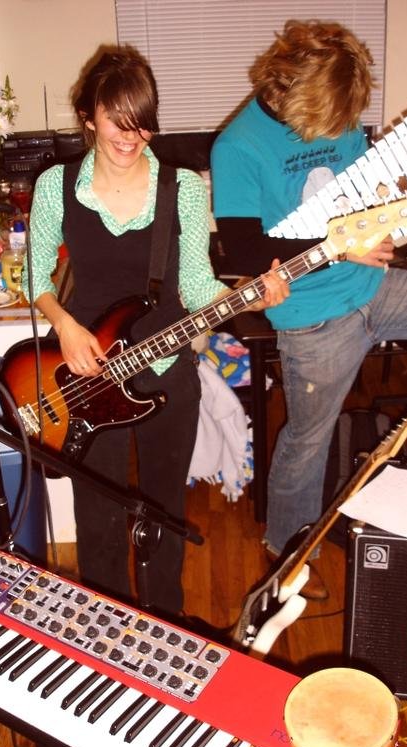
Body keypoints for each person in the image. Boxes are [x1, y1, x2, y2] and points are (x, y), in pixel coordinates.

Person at [211, 19, 407, 565]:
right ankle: (287, 551)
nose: (341, 130)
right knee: (308, 441)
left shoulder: (342, 115)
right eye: (330, 119)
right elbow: (246, 251)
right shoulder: (237, 147)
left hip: (377, 286)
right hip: (313, 316)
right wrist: (342, 246)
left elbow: (378, 212)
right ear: (288, 87)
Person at [25, 44, 288, 618]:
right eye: (117, 120)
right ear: (87, 114)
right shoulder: (55, 186)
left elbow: (195, 282)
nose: (131, 136)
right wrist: (64, 325)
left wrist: (251, 294)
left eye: (143, 122)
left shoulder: (182, 188)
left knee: (164, 510)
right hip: (88, 374)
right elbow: (35, 276)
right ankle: (101, 623)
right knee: (96, 512)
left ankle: (164, 622)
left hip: (167, 369)